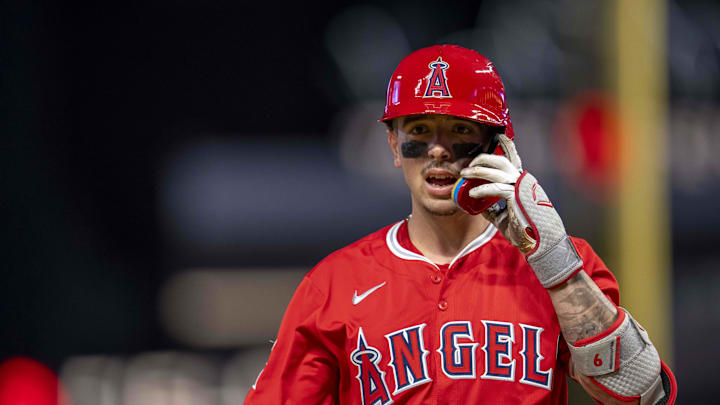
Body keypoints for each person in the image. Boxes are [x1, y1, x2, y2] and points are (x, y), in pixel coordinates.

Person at [243, 45, 677, 404]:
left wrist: (555, 264)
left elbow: (643, 394)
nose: (438, 150)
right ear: (394, 145)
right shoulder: (335, 283)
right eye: (419, 129)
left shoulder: (562, 261)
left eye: (459, 130)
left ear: (500, 146)